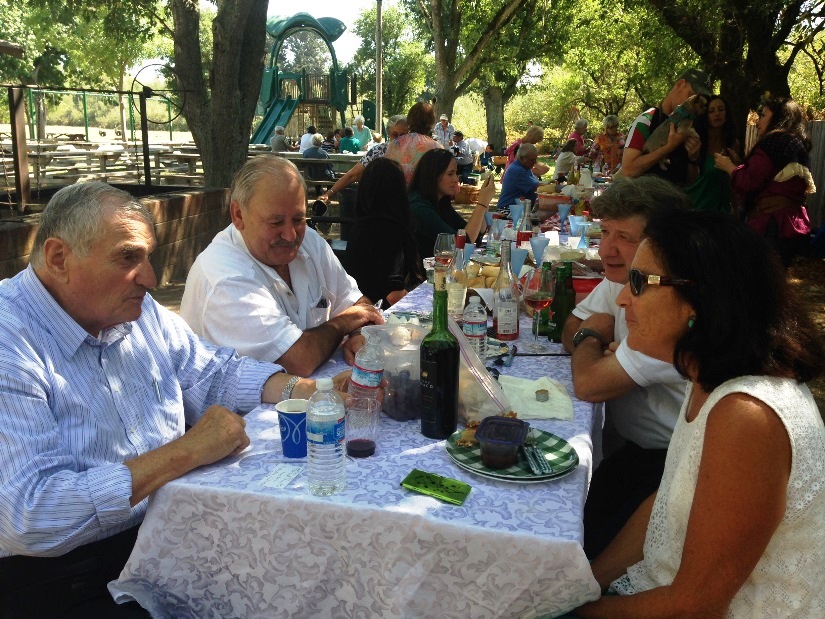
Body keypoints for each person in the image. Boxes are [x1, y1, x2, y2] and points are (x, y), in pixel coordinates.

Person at [0, 181, 355, 616]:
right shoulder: (10, 342)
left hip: (170, 529)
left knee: (313, 567)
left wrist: (315, 390)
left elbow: (214, 373)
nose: (150, 278)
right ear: (59, 258)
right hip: (61, 576)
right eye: (128, 257)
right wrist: (187, 451)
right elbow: (33, 517)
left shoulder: (132, 306)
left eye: (148, 256)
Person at [574, 209, 825, 618]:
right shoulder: (707, 378)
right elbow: (668, 501)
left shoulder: (747, 415)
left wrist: (571, 614)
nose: (622, 299)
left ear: (701, 300)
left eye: (640, 283)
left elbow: (696, 605)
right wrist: (583, 583)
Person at [561, 176, 691, 559]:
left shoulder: (669, 304)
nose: (607, 250)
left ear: (662, 244)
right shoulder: (629, 280)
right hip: (631, 450)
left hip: (672, 468)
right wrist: (595, 339)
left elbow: (587, 384)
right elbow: (571, 327)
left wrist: (591, 341)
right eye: (605, 232)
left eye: (625, 237)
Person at [180, 155, 383, 377]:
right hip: (241, 412)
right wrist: (345, 322)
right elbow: (298, 361)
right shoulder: (226, 277)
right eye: (276, 222)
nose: (290, 235)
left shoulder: (309, 241)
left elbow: (357, 303)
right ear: (238, 215)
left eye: (298, 219)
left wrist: (357, 334)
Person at [715, 95, 814, 266]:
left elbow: (750, 182)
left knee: (761, 282)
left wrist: (728, 167)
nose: (758, 121)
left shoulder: (774, 141)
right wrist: (740, 164)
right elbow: (770, 178)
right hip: (789, 224)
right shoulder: (795, 142)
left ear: (778, 118)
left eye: (763, 116)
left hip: (773, 225)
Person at [344, 158, 426, 308]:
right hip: (380, 316)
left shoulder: (361, 225)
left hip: (359, 308)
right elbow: (394, 295)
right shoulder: (387, 230)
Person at [621, 68, 711, 186]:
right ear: (680, 84)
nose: (695, 102)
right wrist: (668, 147)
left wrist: (693, 159)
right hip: (646, 202)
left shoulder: (691, 125)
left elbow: (690, 182)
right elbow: (628, 170)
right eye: (692, 95)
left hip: (676, 202)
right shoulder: (646, 120)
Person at [408, 148, 494, 259]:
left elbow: (475, 236)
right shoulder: (418, 206)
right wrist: (482, 203)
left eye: (456, 173)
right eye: (450, 174)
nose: (455, 179)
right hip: (423, 273)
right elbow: (461, 245)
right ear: (433, 175)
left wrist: (485, 203)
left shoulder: (441, 202)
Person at [320, 115, 409, 203]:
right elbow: (353, 175)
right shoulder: (378, 151)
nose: (399, 138)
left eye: (403, 135)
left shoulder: (415, 152)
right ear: (389, 134)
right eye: (395, 134)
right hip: (381, 202)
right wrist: (329, 193)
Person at [685, 94, 741, 213]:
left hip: (722, 213)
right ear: (705, 115)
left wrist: (736, 210)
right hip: (696, 210)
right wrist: (693, 159)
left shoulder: (733, 144)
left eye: (721, 110)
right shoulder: (695, 141)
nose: (717, 114)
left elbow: (734, 183)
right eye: (711, 111)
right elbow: (690, 181)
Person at [386, 101, 443, 184]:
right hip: (424, 195)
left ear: (409, 119)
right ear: (431, 122)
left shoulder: (394, 144)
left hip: (396, 193)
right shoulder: (436, 148)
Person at [496, 143, 543, 212]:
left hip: (517, 209)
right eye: (532, 160)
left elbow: (536, 183)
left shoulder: (525, 167)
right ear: (521, 158)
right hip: (508, 210)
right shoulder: (517, 170)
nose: (534, 162)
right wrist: (556, 187)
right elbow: (538, 187)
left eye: (535, 159)